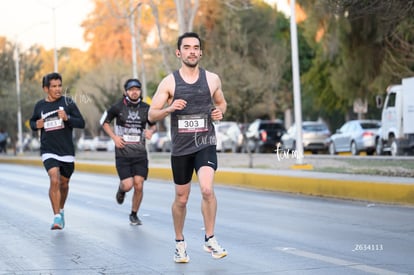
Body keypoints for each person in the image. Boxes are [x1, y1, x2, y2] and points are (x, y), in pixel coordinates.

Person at [149, 32, 228, 263]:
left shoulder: (212, 79)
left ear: (200, 52)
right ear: (179, 52)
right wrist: (169, 108)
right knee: (181, 199)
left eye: (196, 47)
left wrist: (219, 111)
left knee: (206, 189)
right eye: (187, 47)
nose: (192, 51)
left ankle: (210, 238)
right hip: (181, 149)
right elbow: (152, 113)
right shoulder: (169, 82)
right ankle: (179, 242)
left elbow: (222, 102)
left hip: (205, 143)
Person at [29, 72, 85, 230]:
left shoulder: (68, 103)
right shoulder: (40, 106)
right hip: (48, 149)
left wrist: (67, 118)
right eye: (53, 86)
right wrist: (36, 125)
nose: (58, 89)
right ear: (45, 88)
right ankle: (56, 217)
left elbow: (81, 123)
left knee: (64, 184)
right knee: (54, 179)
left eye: (59, 85)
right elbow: (33, 122)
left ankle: (61, 210)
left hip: (66, 150)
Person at [101, 78, 156, 225]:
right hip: (122, 153)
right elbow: (104, 123)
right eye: (131, 89)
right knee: (128, 185)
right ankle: (121, 189)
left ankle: (134, 214)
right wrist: (114, 138)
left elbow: (153, 125)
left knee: (139, 184)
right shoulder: (117, 107)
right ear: (126, 92)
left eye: (137, 89)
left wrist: (150, 131)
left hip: (140, 153)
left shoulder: (146, 108)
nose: (134, 92)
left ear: (140, 91)